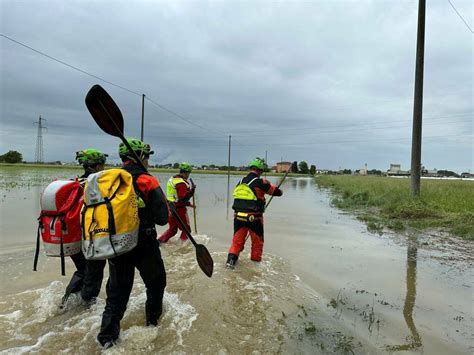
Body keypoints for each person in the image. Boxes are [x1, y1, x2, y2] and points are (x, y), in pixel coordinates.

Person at [97, 138, 168, 349]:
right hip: (144, 243)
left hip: (116, 244)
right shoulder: (147, 180)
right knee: (156, 285)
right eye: (147, 157)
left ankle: (107, 341)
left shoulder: (109, 179)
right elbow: (162, 218)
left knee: (117, 293)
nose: (148, 161)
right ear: (141, 157)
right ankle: (152, 327)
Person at [61, 149, 108, 307]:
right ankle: (87, 307)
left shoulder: (74, 182)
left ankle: (65, 302)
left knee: (82, 270)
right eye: (102, 165)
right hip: (91, 238)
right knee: (94, 272)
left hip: (71, 237)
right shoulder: (98, 185)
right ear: (96, 166)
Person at [226, 158, 283, 269]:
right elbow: (277, 192)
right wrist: (280, 190)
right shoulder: (262, 182)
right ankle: (255, 268)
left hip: (238, 217)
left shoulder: (241, 181)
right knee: (257, 243)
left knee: (236, 243)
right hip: (254, 219)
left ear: (250, 168)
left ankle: (230, 263)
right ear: (260, 170)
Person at [158, 162, 196, 243]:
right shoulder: (182, 183)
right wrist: (192, 191)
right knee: (186, 230)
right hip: (179, 210)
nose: (188, 175)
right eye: (188, 173)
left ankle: (159, 242)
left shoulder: (173, 179)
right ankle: (180, 246)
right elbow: (182, 199)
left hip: (170, 208)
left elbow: (175, 197)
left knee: (173, 229)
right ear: (186, 173)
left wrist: (189, 204)